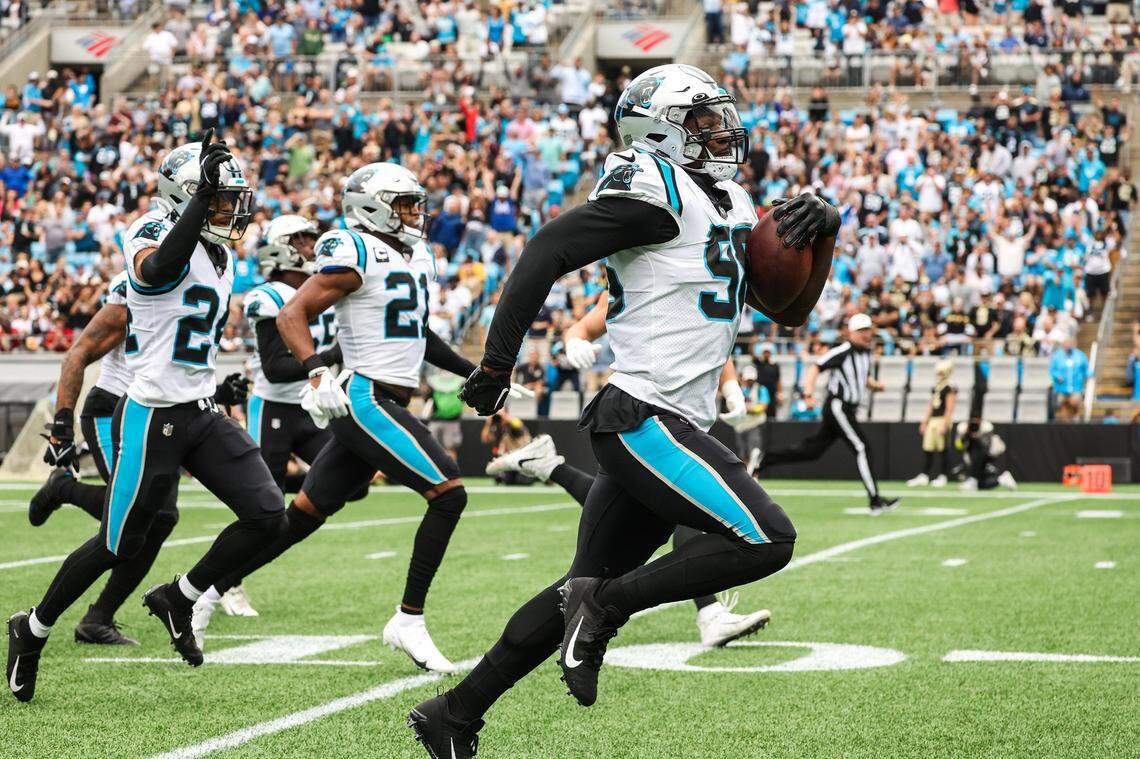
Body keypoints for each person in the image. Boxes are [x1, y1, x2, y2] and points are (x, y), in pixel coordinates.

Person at [408, 64, 835, 757]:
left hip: (674, 418)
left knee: (573, 587)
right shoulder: (654, 190)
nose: (720, 131)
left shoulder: (728, 199)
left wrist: (826, 237)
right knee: (766, 539)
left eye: (718, 117)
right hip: (644, 415)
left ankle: (454, 711)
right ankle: (604, 610)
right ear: (658, 129)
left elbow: (786, 311)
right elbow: (547, 249)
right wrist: (495, 362)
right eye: (701, 120)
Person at [7, 132, 285, 702]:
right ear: (187, 197)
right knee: (119, 541)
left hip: (200, 412)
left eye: (229, 197)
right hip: (149, 413)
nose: (230, 208)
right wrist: (199, 203)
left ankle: (180, 596)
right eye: (216, 196)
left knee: (268, 515)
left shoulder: (222, 252)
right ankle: (32, 628)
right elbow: (157, 270)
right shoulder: (151, 229)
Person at [268, 163, 529, 673]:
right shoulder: (355, 249)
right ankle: (408, 620)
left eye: (415, 203)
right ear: (374, 207)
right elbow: (290, 315)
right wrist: (317, 372)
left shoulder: (415, 256)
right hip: (364, 397)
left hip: (387, 399)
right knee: (449, 493)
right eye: (405, 204)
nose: (416, 212)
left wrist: (478, 373)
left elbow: (419, 336)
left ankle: (195, 591)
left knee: (302, 517)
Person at [487, 299, 772, 648]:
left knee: (620, 529)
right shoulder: (650, 261)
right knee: (681, 515)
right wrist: (573, 339)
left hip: (682, 419)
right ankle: (707, 613)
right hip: (641, 417)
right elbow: (585, 323)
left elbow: (712, 332)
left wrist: (729, 385)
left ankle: (550, 466)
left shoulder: (703, 262)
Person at [190, 214, 364, 644]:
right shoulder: (269, 296)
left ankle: (292, 497)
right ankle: (225, 581)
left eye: (310, 236)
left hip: (310, 409)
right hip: (275, 410)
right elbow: (277, 366)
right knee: (264, 512)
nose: (309, 245)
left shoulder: (319, 287)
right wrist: (328, 356)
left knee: (352, 481)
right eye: (301, 238)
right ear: (280, 246)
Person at [25, 272, 190, 646]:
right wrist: (62, 423)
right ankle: (64, 487)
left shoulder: (201, 275)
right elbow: (78, 354)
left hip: (159, 411)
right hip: (113, 408)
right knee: (149, 513)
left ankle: (98, 618)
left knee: (161, 518)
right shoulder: (138, 285)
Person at [759, 314, 898, 514]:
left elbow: (863, 376)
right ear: (851, 333)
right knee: (862, 447)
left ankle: (766, 459)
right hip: (838, 407)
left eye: (868, 330)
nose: (867, 335)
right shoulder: (843, 352)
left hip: (847, 409)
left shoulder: (866, 353)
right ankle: (875, 500)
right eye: (862, 331)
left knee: (812, 451)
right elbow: (816, 367)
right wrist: (808, 393)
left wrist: (875, 386)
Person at [907, 360, 956, 487]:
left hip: (941, 420)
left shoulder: (949, 388)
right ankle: (924, 475)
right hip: (933, 420)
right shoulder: (936, 387)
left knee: (942, 449)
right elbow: (931, 406)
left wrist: (945, 424)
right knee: (928, 448)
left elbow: (949, 408)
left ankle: (943, 475)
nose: (938, 374)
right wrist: (925, 422)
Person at [954, 419, 1017, 491]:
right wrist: (966, 436)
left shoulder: (986, 426)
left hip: (990, 451)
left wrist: (977, 437)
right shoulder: (963, 428)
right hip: (981, 456)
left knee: (975, 452)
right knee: (981, 485)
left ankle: (973, 479)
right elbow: (959, 445)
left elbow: (986, 445)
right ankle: (1002, 479)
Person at [1049, 337, 1089, 421]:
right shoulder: (1057, 356)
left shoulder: (1080, 355)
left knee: (1074, 402)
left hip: (1076, 387)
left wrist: (1089, 376)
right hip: (1061, 387)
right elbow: (1052, 370)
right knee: (1063, 408)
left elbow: (1086, 369)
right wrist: (1057, 376)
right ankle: (1065, 426)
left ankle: (1075, 421)